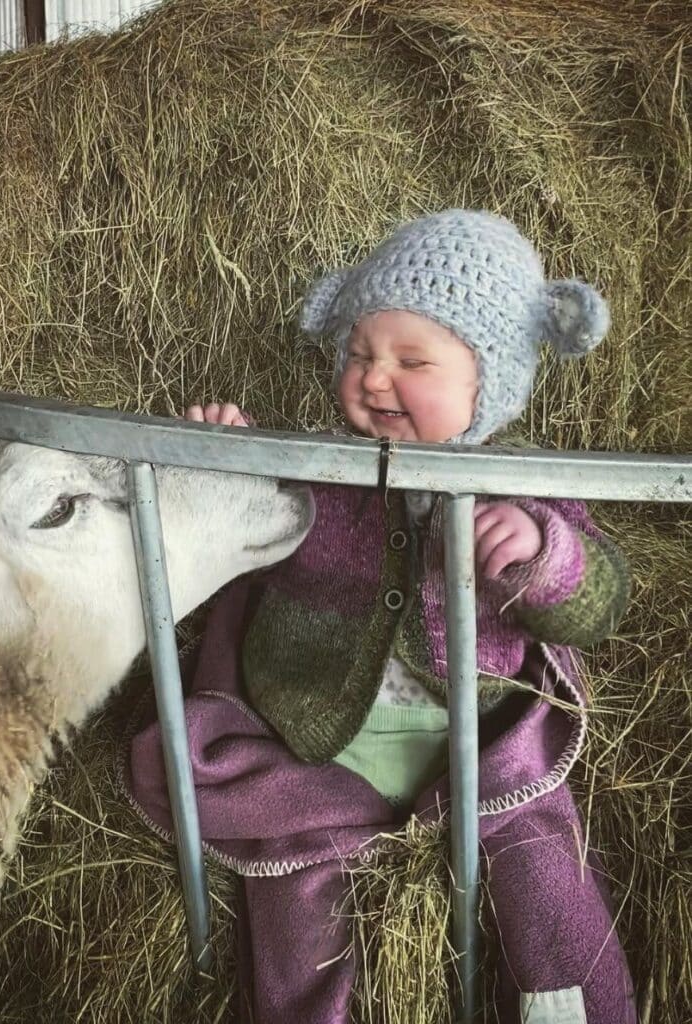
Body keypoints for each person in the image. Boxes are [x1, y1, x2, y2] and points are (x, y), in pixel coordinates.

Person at [123, 209, 637, 1024]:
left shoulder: (523, 488)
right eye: (359, 354)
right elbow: (236, 531)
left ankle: (568, 1007)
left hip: (478, 751)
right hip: (312, 748)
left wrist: (544, 548)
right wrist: (224, 463)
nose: (372, 377)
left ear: (487, 380)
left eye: (411, 360)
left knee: (546, 875)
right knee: (294, 892)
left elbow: (601, 601)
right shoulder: (314, 468)